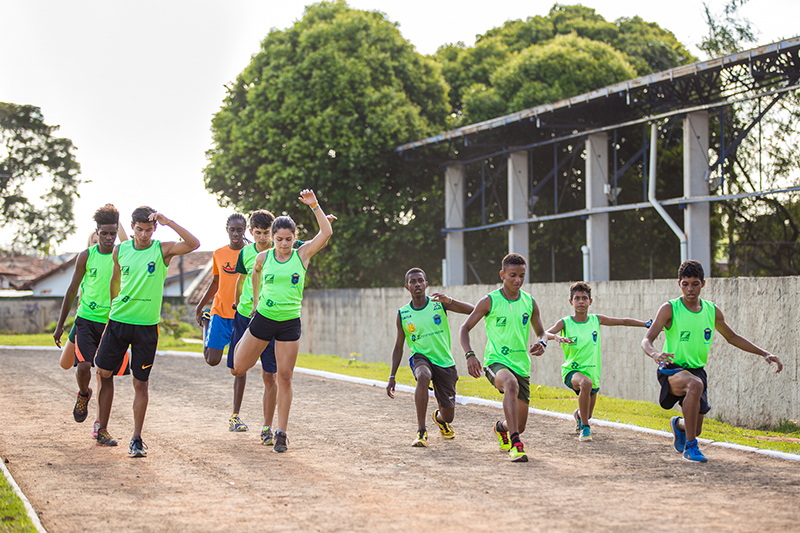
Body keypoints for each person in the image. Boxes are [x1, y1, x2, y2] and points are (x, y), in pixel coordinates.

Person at [641, 260, 783, 463]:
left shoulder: (711, 311)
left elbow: (733, 337)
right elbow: (646, 339)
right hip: (672, 369)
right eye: (686, 284)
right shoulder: (669, 308)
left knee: (695, 427)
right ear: (679, 283)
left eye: (695, 284)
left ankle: (678, 425)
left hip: (697, 371)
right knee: (694, 385)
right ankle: (691, 448)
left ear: (703, 284)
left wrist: (764, 353)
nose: (690, 289)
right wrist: (654, 353)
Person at [232, 189, 332, 453]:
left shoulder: (303, 255)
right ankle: (247, 339)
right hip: (263, 318)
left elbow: (326, 233)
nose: (284, 244)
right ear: (273, 238)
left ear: (295, 238)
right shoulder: (263, 258)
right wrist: (254, 302)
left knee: (284, 377)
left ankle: (281, 433)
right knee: (238, 367)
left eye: (289, 239)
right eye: (279, 239)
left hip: (289, 323)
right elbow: (254, 273)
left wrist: (315, 206)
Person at [94, 207, 199, 457]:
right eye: (139, 229)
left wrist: (168, 222)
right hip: (118, 320)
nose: (144, 234)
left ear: (154, 229)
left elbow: (194, 244)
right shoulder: (121, 250)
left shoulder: (162, 250)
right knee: (103, 372)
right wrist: (112, 307)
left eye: (148, 230)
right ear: (131, 227)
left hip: (147, 328)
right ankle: (102, 426)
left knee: (141, 384)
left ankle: (137, 438)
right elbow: (115, 281)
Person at [459, 253, 548, 463]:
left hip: (522, 365)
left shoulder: (529, 302)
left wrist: (542, 343)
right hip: (496, 361)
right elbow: (465, 328)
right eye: (513, 275)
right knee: (510, 383)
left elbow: (541, 332)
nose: (518, 280)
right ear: (502, 275)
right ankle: (516, 444)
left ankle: (502, 428)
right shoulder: (490, 301)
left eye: (522, 276)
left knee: (520, 424)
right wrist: (470, 354)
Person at [53, 205, 130, 436]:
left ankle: (101, 428)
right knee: (84, 366)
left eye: (112, 233)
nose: (108, 238)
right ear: (96, 232)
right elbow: (71, 290)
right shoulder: (86, 256)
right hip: (85, 320)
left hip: (111, 322)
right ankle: (83, 394)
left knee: (105, 376)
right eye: (104, 233)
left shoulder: (123, 253)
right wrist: (60, 326)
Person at [545, 282, 651, 442]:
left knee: (587, 412)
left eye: (584, 298)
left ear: (590, 301)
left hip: (592, 373)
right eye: (577, 298)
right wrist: (556, 336)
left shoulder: (596, 320)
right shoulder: (565, 322)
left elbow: (623, 321)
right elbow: (544, 333)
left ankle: (580, 416)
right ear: (571, 301)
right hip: (571, 371)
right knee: (585, 383)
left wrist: (646, 324)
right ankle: (586, 429)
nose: (581, 301)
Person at [386, 267, 474, 447]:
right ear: (407, 287)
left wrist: (450, 300)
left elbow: (474, 311)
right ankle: (421, 431)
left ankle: (439, 419)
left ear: (426, 284)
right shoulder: (403, 313)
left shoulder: (439, 303)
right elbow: (398, 346)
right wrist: (392, 376)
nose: (417, 284)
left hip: (444, 362)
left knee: (448, 415)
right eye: (413, 281)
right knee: (423, 376)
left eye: (420, 280)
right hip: (420, 358)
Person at [228, 209, 278, 438]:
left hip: (270, 317)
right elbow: (240, 278)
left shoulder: (282, 251)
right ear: (251, 232)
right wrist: (238, 303)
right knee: (237, 369)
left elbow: (310, 243)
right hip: (245, 315)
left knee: (270, 375)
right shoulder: (246, 253)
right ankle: (235, 414)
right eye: (257, 233)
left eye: (266, 233)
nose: (262, 237)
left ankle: (267, 427)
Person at [59, 227, 128, 370]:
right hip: (86, 319)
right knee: (65, 363)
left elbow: (126, 243)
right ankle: (85, 389)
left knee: (101, 370)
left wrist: (117, 221)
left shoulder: (117, 258)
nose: (98, 243)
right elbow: (75, 293)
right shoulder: (87, 260)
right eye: (94, 241)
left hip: (108, 321)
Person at [194, 213, 247, 367]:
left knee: (239, 364)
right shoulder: (219, 253)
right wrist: (200, 305)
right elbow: (216, 282)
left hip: (241, 313)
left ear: (245, 230)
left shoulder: (251, 253)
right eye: (232, 230)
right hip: (220, 311)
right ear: (227, 230)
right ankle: (206, 322)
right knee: (212, 360)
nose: (235, 234)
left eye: (239, 230)